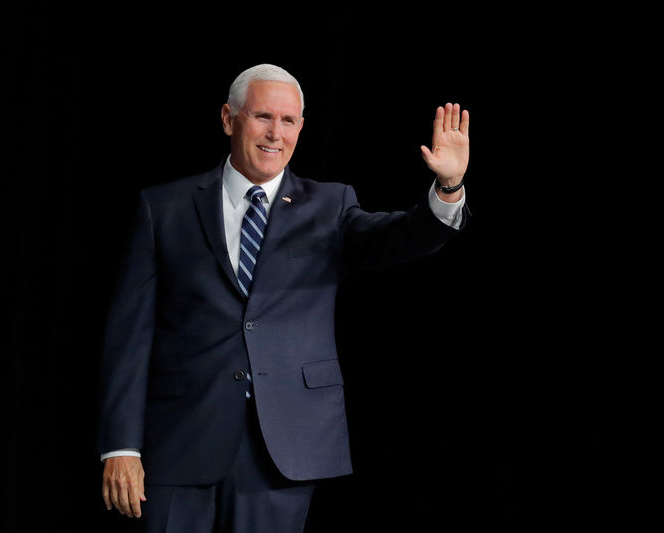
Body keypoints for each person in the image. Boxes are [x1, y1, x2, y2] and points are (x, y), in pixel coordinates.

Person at [98, 63, 471, 533]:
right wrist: (121, 447)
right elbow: (130, 337)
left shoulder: (330, 206)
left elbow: (401, 237)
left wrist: (448, 188)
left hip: (282, 448)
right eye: (263, 117)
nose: (276, 133)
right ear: (229, 119)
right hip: (180, 441)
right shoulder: (164, 208)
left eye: (289, 120)